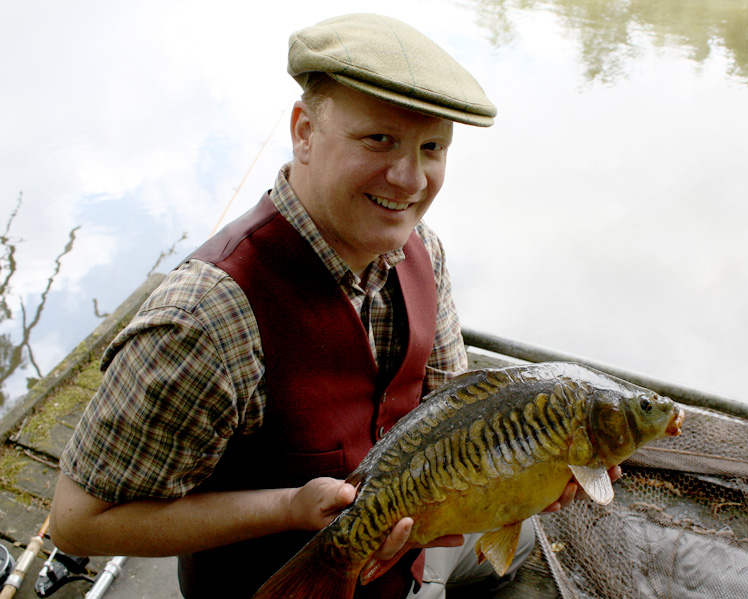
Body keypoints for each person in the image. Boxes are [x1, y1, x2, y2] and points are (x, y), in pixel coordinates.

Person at [49, 13, 619, 598]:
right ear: (303, 130)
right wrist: (291, 509)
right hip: (273, 582)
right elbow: (77, 521)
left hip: (409, 552)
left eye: (432, 148)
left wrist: (522, 477)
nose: (408, 178)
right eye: (379, 140)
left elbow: (453, 409)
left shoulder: (424, 250)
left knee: (520, 542)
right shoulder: (205, 317)